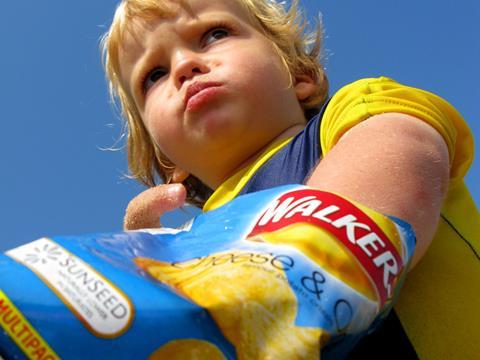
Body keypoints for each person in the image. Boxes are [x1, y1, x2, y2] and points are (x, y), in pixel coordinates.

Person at [101, 0, 479, 358]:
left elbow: (399, 147)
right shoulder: (196, 240)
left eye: (214, 34)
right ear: (167, 160)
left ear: (300, 75)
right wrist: (144, 268)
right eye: (154, 75)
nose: (184, 66)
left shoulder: (350, 116)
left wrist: (299, 256)